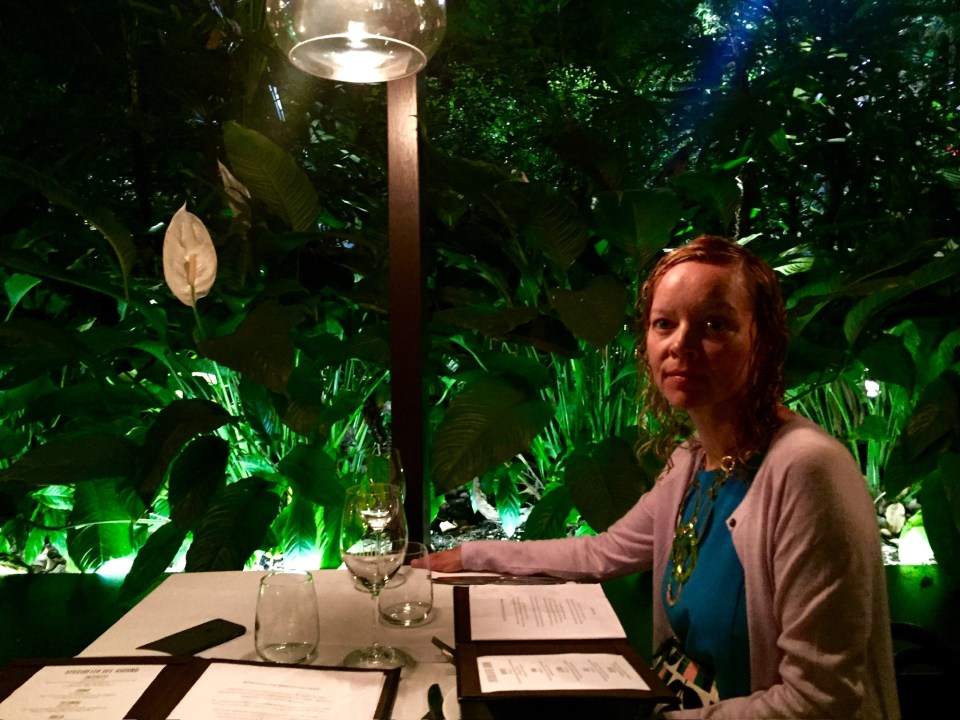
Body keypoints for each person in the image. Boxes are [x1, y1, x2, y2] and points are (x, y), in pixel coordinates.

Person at [422, 235, 899, 718]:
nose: (681, 344)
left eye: (714, 324)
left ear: (764, 340)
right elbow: (602, 552)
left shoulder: (806, 471)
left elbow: (820, 701)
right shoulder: (692, 461)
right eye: (664, 324)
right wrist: (469, 555)